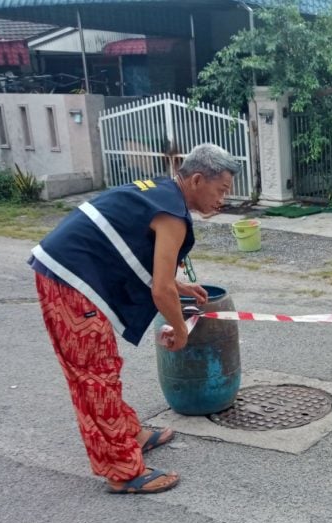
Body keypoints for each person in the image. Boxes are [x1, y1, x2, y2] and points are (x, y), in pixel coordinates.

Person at [29, 143, 239, 494]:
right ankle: (122, 471)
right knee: (95, 376)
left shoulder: (162, 193)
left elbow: (140, 254)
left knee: (102, 365)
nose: (223, 200)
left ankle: (129, 432)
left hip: (67, 273)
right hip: (68, 279)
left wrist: (178, 283)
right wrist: (181, 331)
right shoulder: (172, 213)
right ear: (198, 179)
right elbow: (160, 292)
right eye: (221, 190)